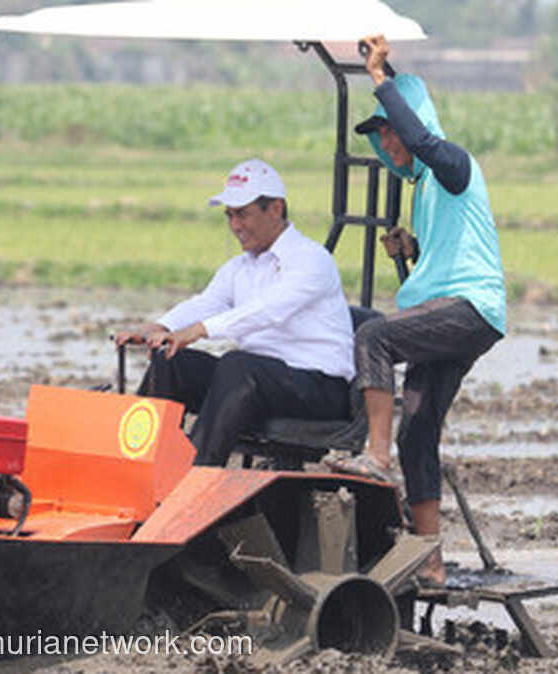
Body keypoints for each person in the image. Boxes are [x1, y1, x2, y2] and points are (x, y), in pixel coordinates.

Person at [329, 35, 506, 585]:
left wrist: (381, 77)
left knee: (375, 338)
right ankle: (430, 561)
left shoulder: (452, 164)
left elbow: (423, 139)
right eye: (380, 134)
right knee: (419, 430)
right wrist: (413, 254)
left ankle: (374, 456)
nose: (387, 140)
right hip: (458, 312)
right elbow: (447, 264)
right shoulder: (427, 191)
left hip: (469, 308)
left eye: (388, 129)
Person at [114, 159, 355, 467]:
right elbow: (207, 301)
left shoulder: (311, 260)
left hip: (318, 386)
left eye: (243, 214)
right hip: (261, 381)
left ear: (276, 209)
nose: (234, 226)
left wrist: (197, 331)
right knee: (170, 362)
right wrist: (157, 327)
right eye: (229, 215)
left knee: (237, 366)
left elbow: (265, 311)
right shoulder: (241, 267)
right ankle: (141, 465)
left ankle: (192, 475)